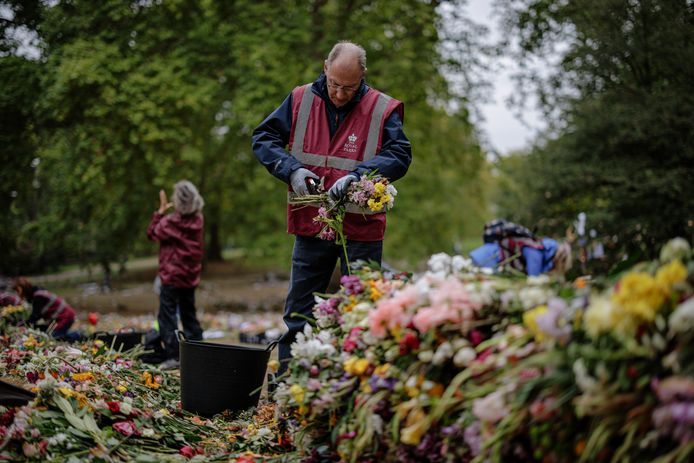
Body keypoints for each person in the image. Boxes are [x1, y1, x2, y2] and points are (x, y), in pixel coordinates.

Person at [252, 41, 412, 374]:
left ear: (363, 76)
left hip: (362, 227)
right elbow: (263, 138)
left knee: (363, 312)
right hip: (312, 222)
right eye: (335, 84)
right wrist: (291, 169)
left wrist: (357, 176)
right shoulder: (299, 99)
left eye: (349, 87)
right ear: (325, 67)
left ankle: (355, 385)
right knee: (299, 313)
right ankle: (289, 390)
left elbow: (399, 155)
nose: (339, 94)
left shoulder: (381, 108)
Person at [146, 180, 205, 369]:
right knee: (189, 315)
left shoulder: (170, 222)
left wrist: (160, 212)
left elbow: (152, 233)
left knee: (167, 317)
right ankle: (198, 352)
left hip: (171, 277)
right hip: (190, 277)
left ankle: (174, 356)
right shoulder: (198, 220)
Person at [469, 219, 573, 276]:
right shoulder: (536, 253)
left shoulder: (536, 246)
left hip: (485, 255)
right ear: (558, 260)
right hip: (487, 261)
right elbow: (533, 282)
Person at [12, 277, 79, 340]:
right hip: (63, 317)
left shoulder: (38, 297)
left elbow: (35, 316)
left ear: (21, 289)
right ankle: (75, 335)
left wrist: (23, 324)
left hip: (65, 317)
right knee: (50, 334)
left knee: (54, 337)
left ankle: (77, 335)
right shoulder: (37, 292)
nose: (17, 294)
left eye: (17, 291)